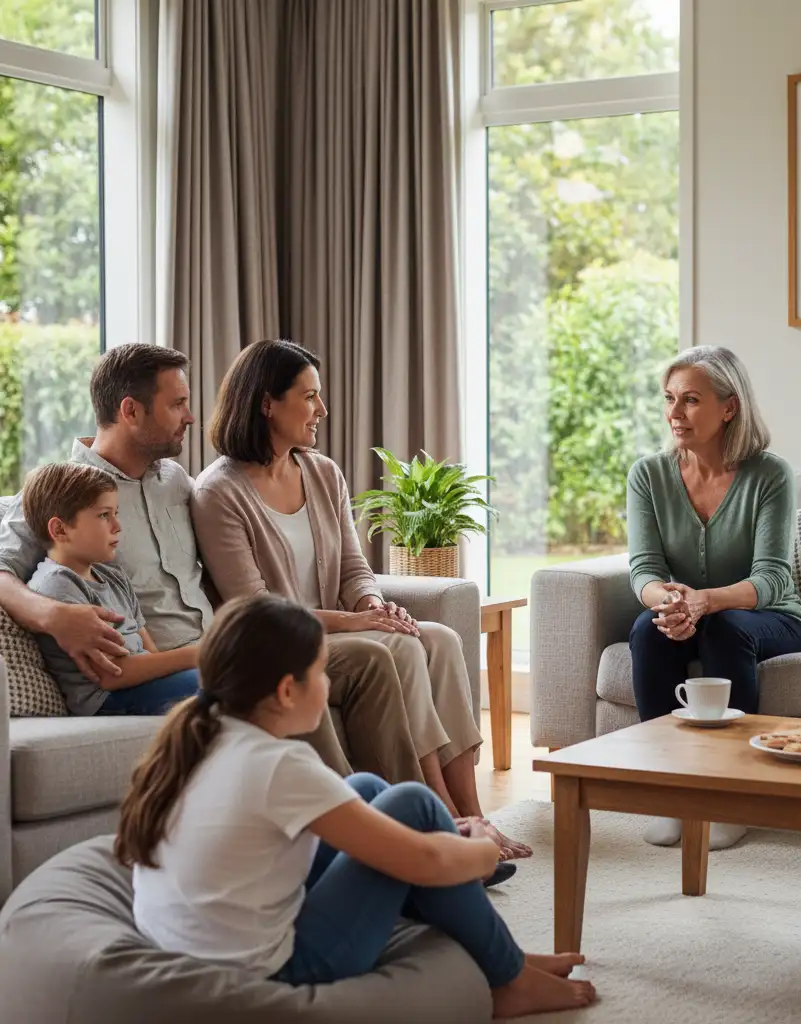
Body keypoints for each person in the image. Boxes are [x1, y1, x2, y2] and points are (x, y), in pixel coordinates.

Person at [116, 594, 596, 1015]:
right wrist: (484, 848)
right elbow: (426, 861)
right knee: (412, 805)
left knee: (367, 788)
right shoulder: (278, 764)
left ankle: (501, 955)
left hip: (197, 950)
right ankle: (508, 979)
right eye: (321, 672)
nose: (327, 685)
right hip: (276, 970)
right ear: (287, 691)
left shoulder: (203, 732)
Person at [0, 345, 421, 785]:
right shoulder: (66, 495)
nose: (191, 417)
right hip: (162, 670)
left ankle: (402, 814)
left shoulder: (178, 483)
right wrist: (53, 616)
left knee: (366, 661)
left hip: (220, 649)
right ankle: (350, 812)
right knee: (281, 683)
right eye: (177, 404)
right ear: (130, 411)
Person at [190, 339, 531, 865]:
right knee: (397, 651)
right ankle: (441, 822)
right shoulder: (219, 493)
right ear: (266, 404)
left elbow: (354, 568)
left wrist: (377, 604)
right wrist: (356, 620)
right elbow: (256, 609)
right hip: (281, 644)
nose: (321, 410)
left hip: (338, 626)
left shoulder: (322, 473)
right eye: (309, 397)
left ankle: (475, 812)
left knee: (437, 638)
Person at [627, 345, 801, 850]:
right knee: (647, 630)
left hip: (770, 618)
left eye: (690, 400)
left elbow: (772, 577)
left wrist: (705, 601)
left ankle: (731, 797)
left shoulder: (770, 474)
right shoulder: (648, 475)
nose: (674, 413)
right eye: (669, 398)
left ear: (729, 406)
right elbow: (644, 569)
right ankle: (670, 794)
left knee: (726, 627)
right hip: (690, 614)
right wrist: (664, 601)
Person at [21, 462, 199, 715]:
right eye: (104, 515)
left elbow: (150, 652)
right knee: (215, 685)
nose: (117, 526)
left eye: (116, 513)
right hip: (108, 698)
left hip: (141, 684)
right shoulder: (56, 584)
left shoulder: (114, 577)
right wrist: (198, 655)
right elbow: (110, 675)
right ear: (60, 529)